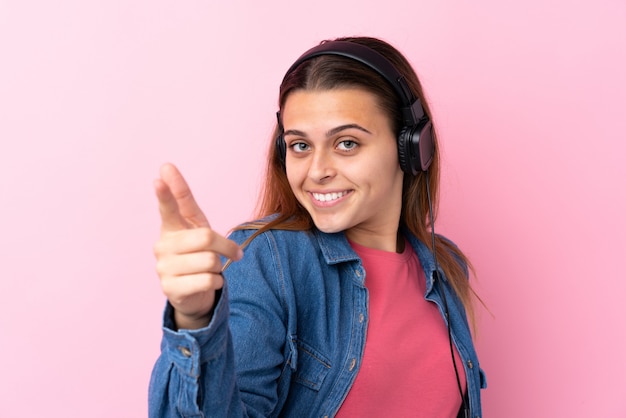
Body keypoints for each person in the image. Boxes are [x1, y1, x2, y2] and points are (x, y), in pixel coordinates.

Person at [148, 36, 487, 418]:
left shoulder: (444, 267)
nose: (317, 171)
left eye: (346, 143)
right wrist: (195, 321)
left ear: (411, 147)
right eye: (300, 146)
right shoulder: (268, 259)